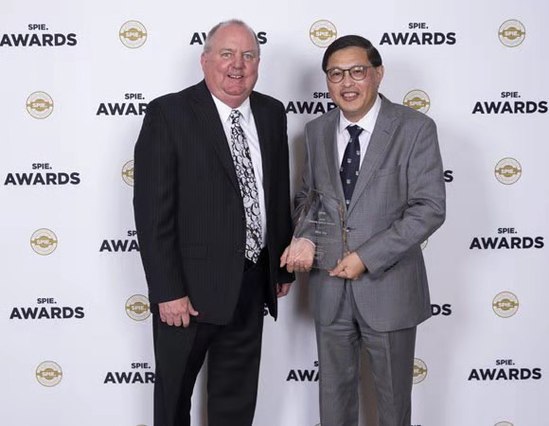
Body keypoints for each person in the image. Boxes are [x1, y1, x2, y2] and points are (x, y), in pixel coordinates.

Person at [133, 19, 294, 426]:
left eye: (248, 56)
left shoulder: (272, 112)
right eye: (226, 54)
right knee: (173, 402)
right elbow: (152, 212)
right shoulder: (169, 113)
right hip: (187, 294)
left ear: (258, 64)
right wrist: (168, 290)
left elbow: (275, 190)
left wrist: (277, 266)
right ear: (205, 61)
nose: (237, 65)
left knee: (236, 403)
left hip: (251, 284)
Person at [281, 35, 446, 426]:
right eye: (336, 74)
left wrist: (366, 257)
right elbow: (309, 197)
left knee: (392, 406)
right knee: (333, 404)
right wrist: (305, 235)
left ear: (378, 74)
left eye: (357, 71)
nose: (347, 83)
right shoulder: (317, 130)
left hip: (389, 290)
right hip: (329, 289)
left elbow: (429, 208)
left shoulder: (415, 129)